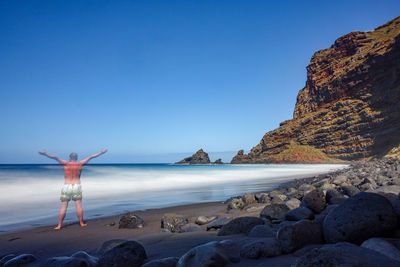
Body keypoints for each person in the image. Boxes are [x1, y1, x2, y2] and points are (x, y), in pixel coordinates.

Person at [38, 149, 107, 230]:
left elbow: (55, 157)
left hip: (67, 186)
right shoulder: (80, 164)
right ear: (76, 158)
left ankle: (59, 225)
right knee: (78, 206)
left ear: (69, 157)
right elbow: (91, 157)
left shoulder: (66, 163)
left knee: (64, 207)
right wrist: (101, 152)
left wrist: (45, 154)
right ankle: (81, 223)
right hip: (77, 185)